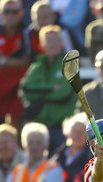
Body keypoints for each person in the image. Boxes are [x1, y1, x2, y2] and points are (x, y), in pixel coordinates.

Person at [19, 24, 77, 154]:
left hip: (61, 127)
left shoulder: (68, 64)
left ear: (61, 43)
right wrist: (52, 88)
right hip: (39, 126)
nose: (52, 44)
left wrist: (39, 92)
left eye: (55, 40)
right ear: (41, 44)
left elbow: (64, 93)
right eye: (48, 41)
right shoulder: (36, 66)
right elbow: (26, 90)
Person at [0, 0, 31, 137]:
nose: (10, 15)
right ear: (0, 14)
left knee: (16, 118)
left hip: (18, 84)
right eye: (6, 12)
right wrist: (12, 62)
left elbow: (27, 61)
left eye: (14, 12)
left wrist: (4, 61)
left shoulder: (27, 30)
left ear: (21, 13)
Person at [56, 113, 93, 182]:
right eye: (75, 132)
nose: (78, 136)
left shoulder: (91, 156)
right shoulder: (59, 153)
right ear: (68, 134)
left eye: (82, 132)